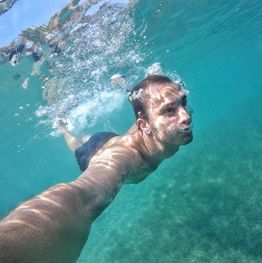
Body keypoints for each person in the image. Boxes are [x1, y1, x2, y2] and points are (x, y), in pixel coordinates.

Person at [0, 75, 193, 263]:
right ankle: (62, 128)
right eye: (169, 110)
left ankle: (89, 129)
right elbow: (80, 197)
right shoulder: (122, 159)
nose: (186, 116)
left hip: (111, 139)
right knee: (77, 144)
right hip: (95, 154)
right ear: (144, 125)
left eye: (183, 103)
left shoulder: (163, 131)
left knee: (97, 136)